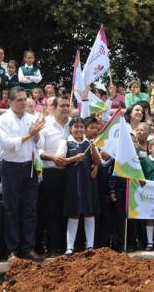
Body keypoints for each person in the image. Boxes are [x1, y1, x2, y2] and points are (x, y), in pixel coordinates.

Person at [0, 86, 45, 260]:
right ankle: (12, 250)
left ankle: (28, 248)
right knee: (11, 209)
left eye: (25, 99)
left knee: (30, 209)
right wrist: (29, 135)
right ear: (10, 102)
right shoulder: (3, 120)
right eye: (19, 100)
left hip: (30, 167)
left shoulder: (32, 118)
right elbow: (7, 144)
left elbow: (41, 143)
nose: (23, 103)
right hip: (11, 167)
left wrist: (36, 135)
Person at [56, 117, 100, 255]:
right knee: (73, 213)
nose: (79, 130)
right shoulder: (65, 143)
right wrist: (74, 158)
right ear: (71, 128)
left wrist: (93, 148)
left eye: (81, 127)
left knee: (89, 212)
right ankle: (70, 247)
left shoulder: (89, 143)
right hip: (72, 183)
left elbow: (97, 161)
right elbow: (59, 161)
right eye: (76, 127)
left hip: (88, 183)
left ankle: (90, 245)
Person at [38, 96, 70, 255]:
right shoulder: (46, 125)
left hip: (69, 173)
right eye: (62, 106)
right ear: (54, 108)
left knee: (68, 209)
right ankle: (51, 247)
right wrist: (53, 158)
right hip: (50, 173)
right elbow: (38, 151)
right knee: (51, 211)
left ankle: (67, 246)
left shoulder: (72, 124)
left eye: (67, 105)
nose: (65, 108)